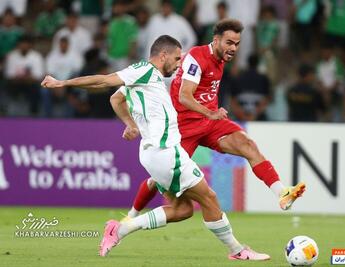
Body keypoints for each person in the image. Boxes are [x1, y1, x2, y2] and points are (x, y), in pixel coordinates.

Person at [41, 35, 270, 261]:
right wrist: (63, 82)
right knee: (209, 198)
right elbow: (104, 81)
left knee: (182, 210)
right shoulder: (143, 71)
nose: (180, 63)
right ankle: (237, 250)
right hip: (165, 153)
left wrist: (130, 124)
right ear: (164, 55)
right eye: (177, 58)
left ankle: (120, 230)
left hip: (155, 154)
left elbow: (115, 99)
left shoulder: (148, 78)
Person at [128, 19, 306, 219]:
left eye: (237, 44)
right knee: (158, 179)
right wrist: (210, 112)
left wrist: (210, 116)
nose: (233, 48)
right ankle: (130, 217)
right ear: (216, 40)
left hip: (210, 124)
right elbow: (184, 96)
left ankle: (282, 193)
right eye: (229, 42)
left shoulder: (219, 60)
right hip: (183, 127)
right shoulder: (197, 57)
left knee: (247, 145)